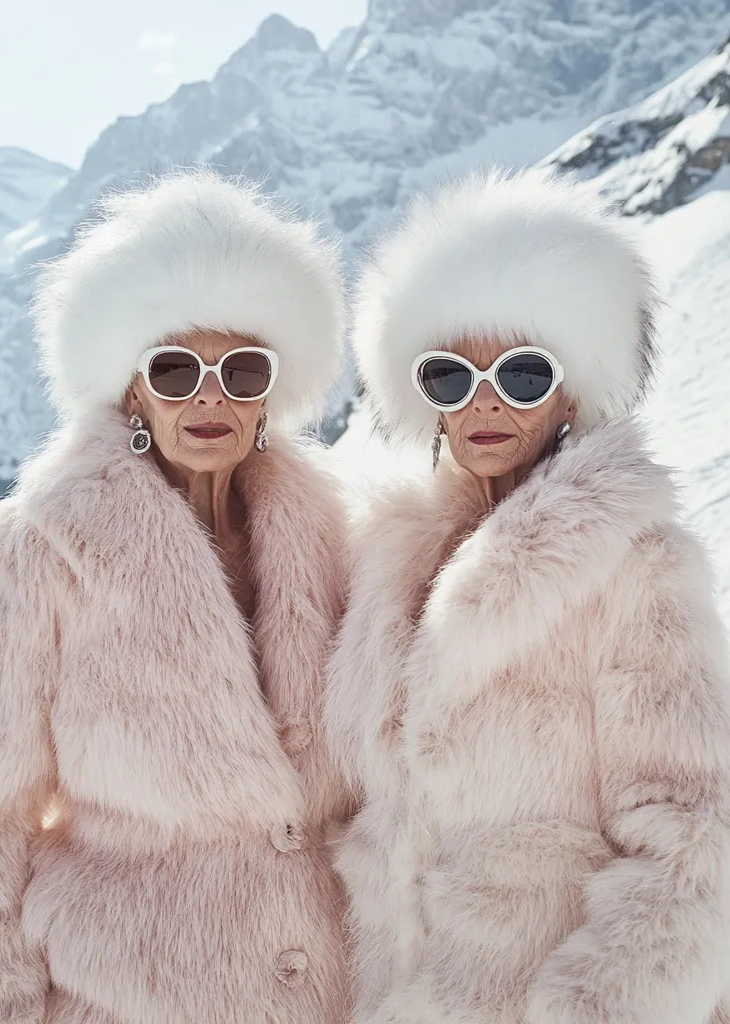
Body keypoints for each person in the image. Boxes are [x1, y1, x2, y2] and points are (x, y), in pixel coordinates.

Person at [325, 171, 730, 1024]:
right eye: (448, 377)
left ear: (572, 388)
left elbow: (693, 833)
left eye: (521, 373)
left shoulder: (635, 561)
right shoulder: (385, 561)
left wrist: (596, 1003)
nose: (483, 402)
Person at [0, 171, 352, 1024]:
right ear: (133, 387)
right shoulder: (46, 547)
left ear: (267, 396)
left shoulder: (331, 541)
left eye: (240, 369)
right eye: (175, 367)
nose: (209, 393)